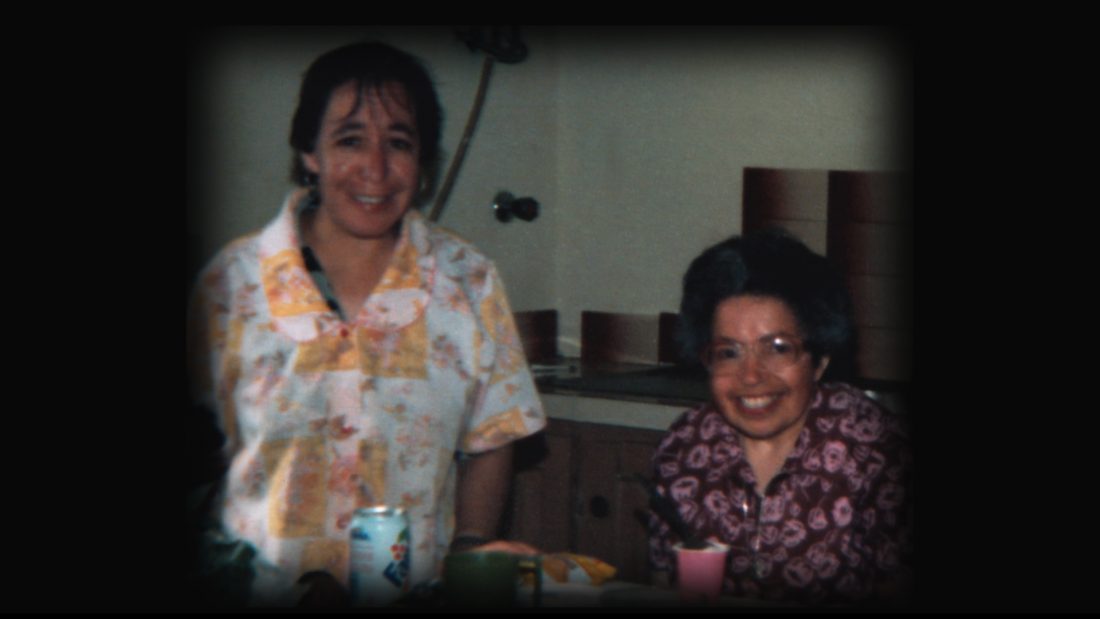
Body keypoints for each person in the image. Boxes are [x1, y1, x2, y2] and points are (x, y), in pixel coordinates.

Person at [186, 41, 545, 607]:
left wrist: (470, 549)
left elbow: (493, 435)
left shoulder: (468, 280)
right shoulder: (233, 284)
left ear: (422, 161)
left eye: (398, 143)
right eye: (349, 140)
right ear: (310, 153)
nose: (375, 169)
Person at [647, 228, 913, 607]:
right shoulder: (685, 447)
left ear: (819, 361)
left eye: (777, 348)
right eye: (728, 352)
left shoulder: (875, 451)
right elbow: (663, 581)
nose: (751, 376)